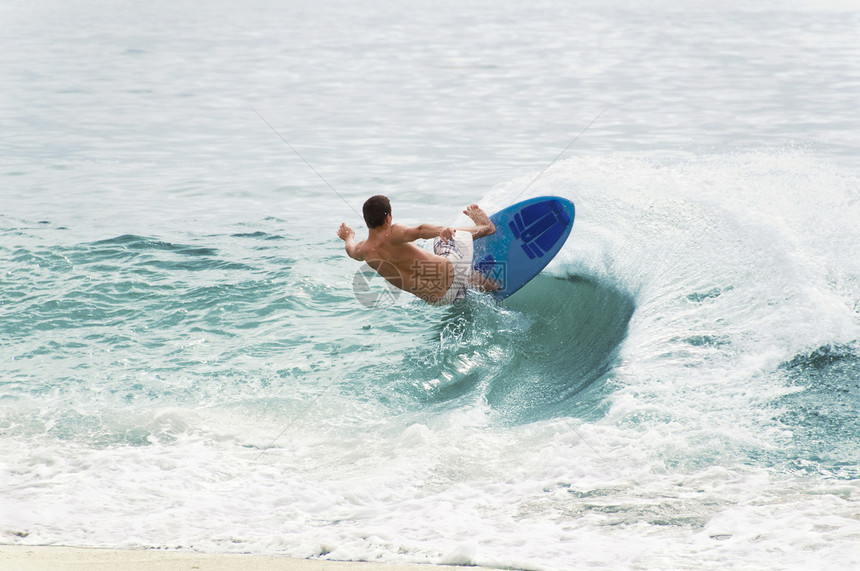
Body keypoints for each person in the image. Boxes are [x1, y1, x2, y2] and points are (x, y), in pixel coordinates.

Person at [337, 195, 497, 305]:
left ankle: (488, 285)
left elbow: (350, 249)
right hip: (454, 273)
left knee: (449, 275)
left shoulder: (363, 250)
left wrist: (348, 236)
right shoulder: (394, 232)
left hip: (439, 299)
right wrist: (443, 229)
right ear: (388, 218)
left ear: (366, 221)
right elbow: (420, 230)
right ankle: (486, 228)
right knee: (442, 240)